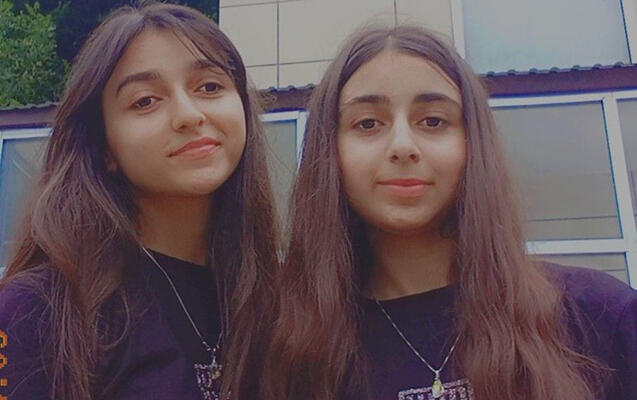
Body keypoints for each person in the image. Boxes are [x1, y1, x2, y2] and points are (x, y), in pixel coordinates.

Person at [263, 25, 637, 400]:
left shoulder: (600, 317)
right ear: (329, 151)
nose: (403, 146)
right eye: (368, 123)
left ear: (473, 143)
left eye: (433, 121)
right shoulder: (285, 348)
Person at [0, 2, 278, 400]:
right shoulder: (37, 309)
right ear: (105, 148)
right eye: (145, 101)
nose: (189, 115)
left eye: (209, 87)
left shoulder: (278, 299)